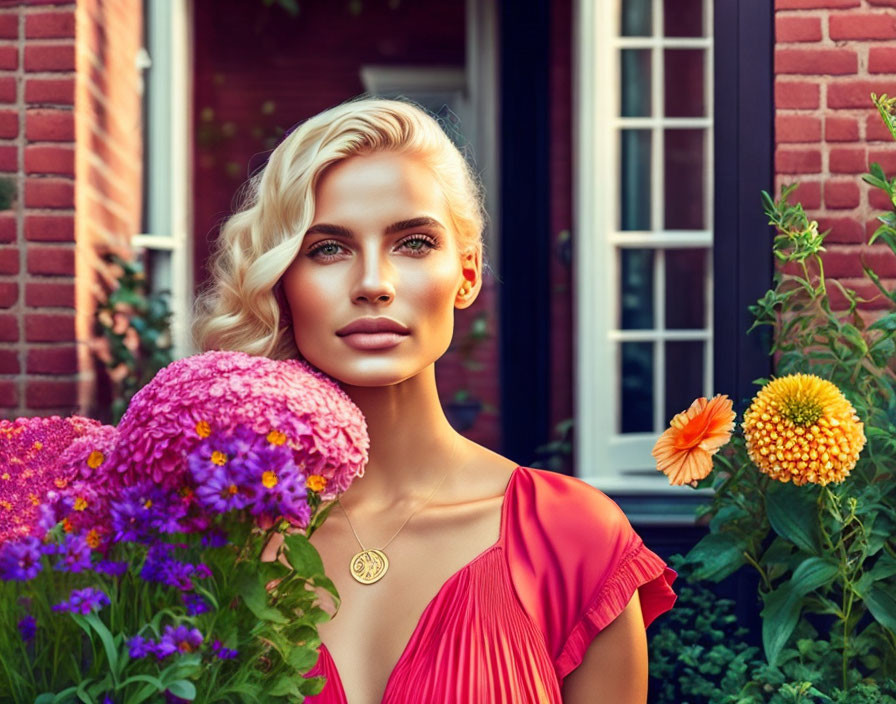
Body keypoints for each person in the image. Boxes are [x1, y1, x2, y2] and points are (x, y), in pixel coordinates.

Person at [192, 96, 677, 704]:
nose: (373, 283)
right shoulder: (209, 542)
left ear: (467, 274)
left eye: (414, 242)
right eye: (328, 248)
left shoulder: (572, 537)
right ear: (283, 280)